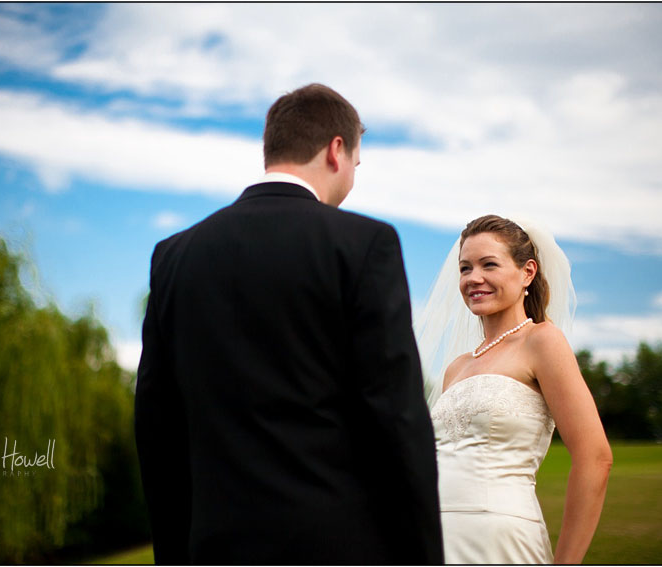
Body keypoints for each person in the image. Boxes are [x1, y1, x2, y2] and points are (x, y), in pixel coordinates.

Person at [135, 83, 443, 565]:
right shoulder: (364, 245)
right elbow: (397, 420)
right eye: (357, 166)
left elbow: (157, 426)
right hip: (334, 548)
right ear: (336, 151)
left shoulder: (175, 255)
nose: (352, 180)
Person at [415, 214, 612, 564]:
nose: (474, 278)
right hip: (436, 538)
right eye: (465, 268)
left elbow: (595, 458)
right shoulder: (456, 368)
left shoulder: (542, 342)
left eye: (488, 264)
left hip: (499, 540)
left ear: (528, 272)